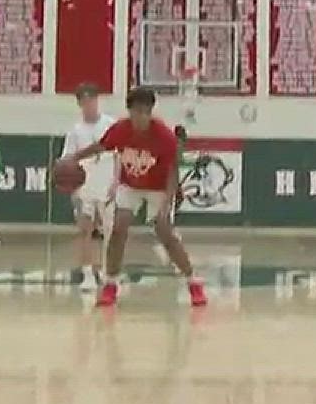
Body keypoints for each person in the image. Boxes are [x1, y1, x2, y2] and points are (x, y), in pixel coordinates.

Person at [58, 87, 208, 309]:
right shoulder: (120, 129)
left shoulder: (164, 136)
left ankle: (193, 281)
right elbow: (101, 146)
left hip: (158, 187)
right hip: (131, 185)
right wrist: (75, 158)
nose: (140, 117)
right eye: (136, 112)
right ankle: (110, 284)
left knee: (165, 233)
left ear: (150, 112)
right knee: (118, 229)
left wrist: (167, 202)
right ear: (130, 111)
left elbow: (172, 171)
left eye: (144, 112)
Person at [61, 84, 115, 288]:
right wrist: (73, 189)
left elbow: (119, 155)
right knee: (85, 230)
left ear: (97, 100)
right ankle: (88, 274)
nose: (88, 104)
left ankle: (109, 272)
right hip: (85, 186)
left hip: (107, 184)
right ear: (79, 104)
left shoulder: (110, 125)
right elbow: (68, 160)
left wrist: (117, 183)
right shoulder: (75, 131)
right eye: (84, 101)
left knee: (111, 233)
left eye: (91, 100)